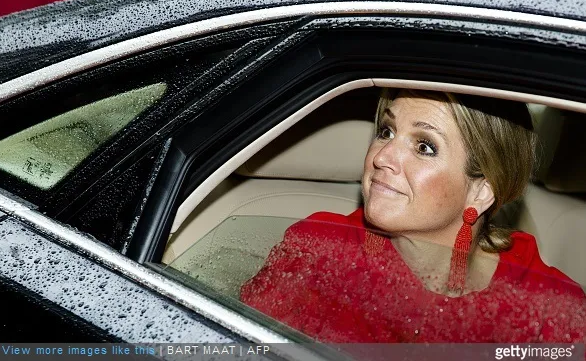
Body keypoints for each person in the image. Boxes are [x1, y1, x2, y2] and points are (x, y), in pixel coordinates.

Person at [240, 89, 586, 343]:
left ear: (481, 191)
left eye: (424, 146)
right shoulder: (317, 251)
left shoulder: (547, 307)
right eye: (386, 131)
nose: (382, 156)